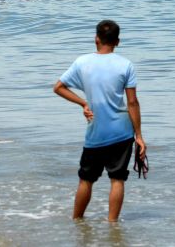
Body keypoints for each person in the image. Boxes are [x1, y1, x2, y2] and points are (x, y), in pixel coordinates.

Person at [53, 19, 147, 222]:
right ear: (117, 41)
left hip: (96, 132)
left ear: (96, 39)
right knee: (117, 180)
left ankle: (77, 224)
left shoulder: (82, 62)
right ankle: (113, 228)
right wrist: (139, 135)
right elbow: (132, 103)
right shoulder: (126, 65)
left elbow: (58, 87)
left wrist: (83, 104)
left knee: (86, 180)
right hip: (122, 132)